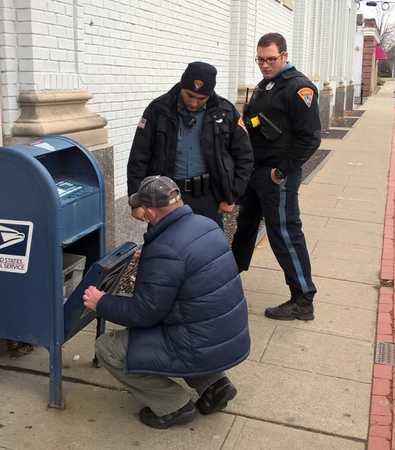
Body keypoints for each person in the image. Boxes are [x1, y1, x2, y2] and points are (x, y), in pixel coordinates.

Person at [83, 176, 250, 429]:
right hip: (225, 336)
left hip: (197, 342)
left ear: (149, 212)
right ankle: (214, 384)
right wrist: (151, 260)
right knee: (190, 327)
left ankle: (174, 405)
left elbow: (143, 313)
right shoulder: (205, 224)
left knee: (108, 347)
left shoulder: (166, 249)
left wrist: (102, 301)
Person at [231, 32, 321, 321]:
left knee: (284, 232)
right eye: (261, 59)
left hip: (276, 176)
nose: (265, 65)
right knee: (245, 226)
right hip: (256, 173)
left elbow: (310, 139)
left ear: (284, 56)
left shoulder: (299, 89)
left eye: (271, 59)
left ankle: (303, 299)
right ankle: (229, 281)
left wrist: (281, 171)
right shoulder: (265, 85)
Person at [127, 62, 253, 228]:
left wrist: (231, 196)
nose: (194, 103)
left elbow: (244, 156)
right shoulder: (158, 110)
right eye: (189, 95)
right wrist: (136, 201)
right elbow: (139, 156)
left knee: (207, 247)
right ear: (182, 86)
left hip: (208, 197)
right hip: (165, 197)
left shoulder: (225, 112)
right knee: (165, 247)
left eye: (201, 99)